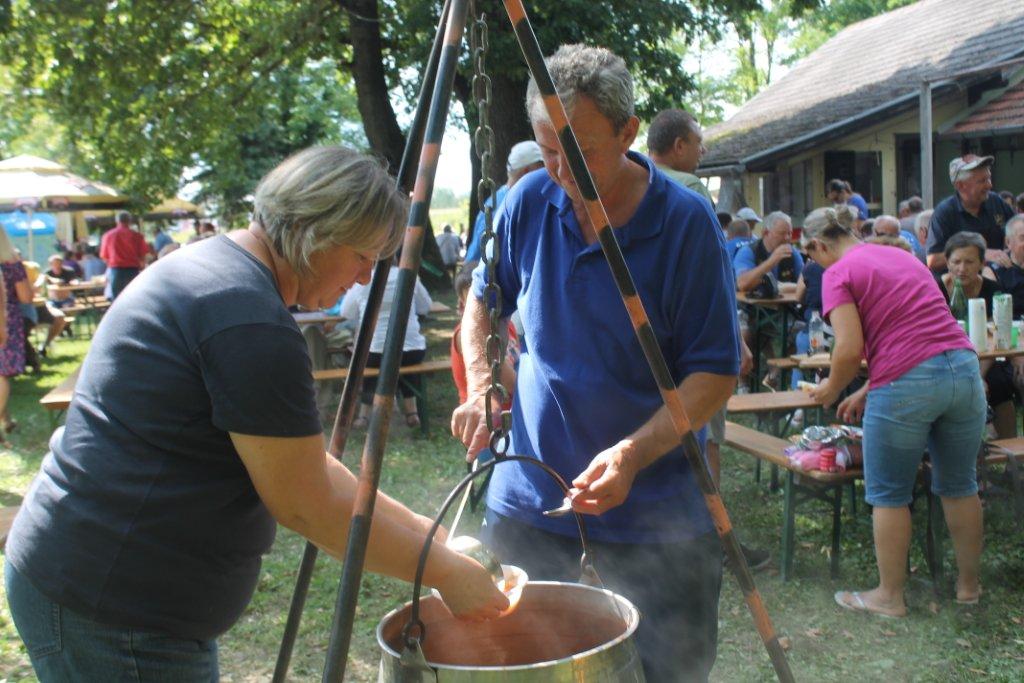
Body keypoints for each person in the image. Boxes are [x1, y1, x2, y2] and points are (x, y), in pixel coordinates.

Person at [5, 147, 508, 681]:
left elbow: (306, 469)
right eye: (363, 256)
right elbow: (307, 506)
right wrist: (445, 572)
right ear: (316, 234)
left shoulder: (218, 272)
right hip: (113, 608)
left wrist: (430, 538)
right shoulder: (248, 319)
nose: (365, 277)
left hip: (110, 592)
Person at [452, 44, 739, 682]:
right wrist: (481, 386)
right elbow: (483, 303)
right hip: (531, 497)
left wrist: (632, 454)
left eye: (578, 151)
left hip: (657, 508)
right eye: (547, 150)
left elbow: (716, 371)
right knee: (519, 665)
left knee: (671, 672)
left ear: (628, 132)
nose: (560, 170)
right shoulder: (528, 201)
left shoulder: (684, 223)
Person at [802, 206, 984, 617]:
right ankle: (969, 588)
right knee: (960, 485)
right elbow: (922, 332)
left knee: (888, 494)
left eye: (811, 256)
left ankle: (889, 596)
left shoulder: (837, 274)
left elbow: (848, 349)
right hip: (962, 368)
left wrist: (830, 388)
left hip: (907, 382)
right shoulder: (902, 256)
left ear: (817, 245)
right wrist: (869, 388)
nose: (815, 265)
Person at [934, 231, 1014, 438]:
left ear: (981, 263)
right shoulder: (934, 289)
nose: (962, 268)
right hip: (944, 359)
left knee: (1000, 384)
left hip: (984, 358)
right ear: (947, 262)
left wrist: (977, 374)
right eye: (956, 261)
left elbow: (995, 336)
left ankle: (1011, 446)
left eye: (969, 262)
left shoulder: (993, 289)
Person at [339, 261, 432, 430]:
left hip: (375, 353)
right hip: (413, 351)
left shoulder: (363, 280)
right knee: (405, 355)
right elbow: (426, 306)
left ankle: (364, 414)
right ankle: (412, 412)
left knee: (369, 356)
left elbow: (346, 312)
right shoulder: (410, 276)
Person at [926, 154, 1015, 271]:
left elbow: (1018, 230)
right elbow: (933, 260)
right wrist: (980, 254)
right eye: (982, 181)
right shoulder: (945, 213)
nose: (989, 185)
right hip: (961, 280)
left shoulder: (996, 202)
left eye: (989, 178)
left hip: (999, 277)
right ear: (960, 185)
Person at [464, 141, 544, 262]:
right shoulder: (503, 205)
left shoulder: (494, 202)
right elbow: (476, 258)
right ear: (527, 171)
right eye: (542, 168)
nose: (546, 174)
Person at [646, 108, 712, 203]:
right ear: (679, 146)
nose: (704, 150)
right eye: (699, 142)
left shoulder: (631, 183)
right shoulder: (690, 186)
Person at [0, 227, 30, 435]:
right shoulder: (12, 265)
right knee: (1, 374)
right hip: (5, 318)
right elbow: (26, 297)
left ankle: (6, 419)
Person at [734, 210, 804, 292]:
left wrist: (780, 288)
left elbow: (805, 283)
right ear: (766, 233)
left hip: (787, 300)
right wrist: (771, 262)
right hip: (753, 300)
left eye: (789, 233)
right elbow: (742, 284)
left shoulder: (793, 253)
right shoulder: (748, 251)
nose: (787, 238)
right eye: (782, 233)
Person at [99, 211, 149, 298]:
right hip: (133, 270)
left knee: (117, 299)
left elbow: (104, 256)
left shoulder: (108, 236)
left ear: (117, 221)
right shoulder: (137, 236)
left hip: (116, 270)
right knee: (134, 297)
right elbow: (143, 255)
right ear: (129, 221)